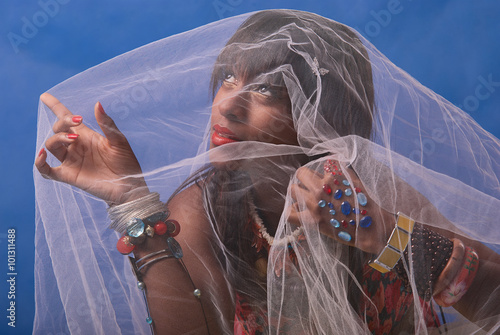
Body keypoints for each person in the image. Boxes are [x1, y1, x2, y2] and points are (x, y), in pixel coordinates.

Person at [34, 9, 500, 334]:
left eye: (267, 90)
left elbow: (493, 300)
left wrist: (378, 232)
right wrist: (129, 199)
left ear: (322, 118)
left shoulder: (371, 187)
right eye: (229, 79)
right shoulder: (201, 208)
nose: (228, 105)